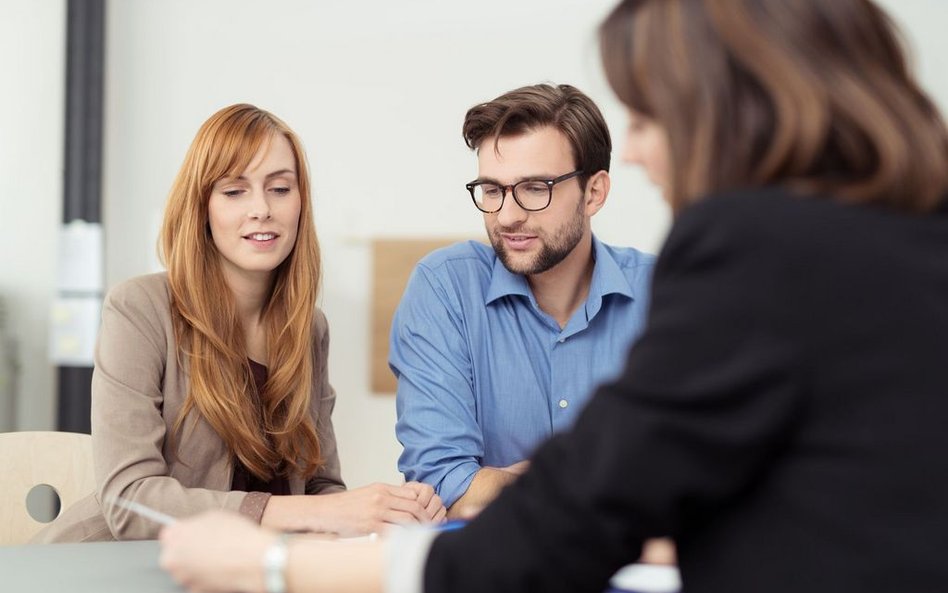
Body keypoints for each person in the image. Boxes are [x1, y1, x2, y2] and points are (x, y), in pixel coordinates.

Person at [160, 0, 948, 592]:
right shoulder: (911, 235)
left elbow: (579, 512)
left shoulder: (748, 251)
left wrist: (272, 561)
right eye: (492, 189)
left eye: (649, 114)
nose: (639, 146)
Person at [35, 104, 444, 543]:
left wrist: (388, 512)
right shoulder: (139, 308)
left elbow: (319, 487)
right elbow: (129, 501)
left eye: (280, 188)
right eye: (234, 191)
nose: (262, 209)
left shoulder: (308, 329)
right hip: (108, 571)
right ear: (202, 208)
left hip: (241, 573)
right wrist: (322, 510)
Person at [392, 83, 655, 518]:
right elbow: (441, 485)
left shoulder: (660, 296)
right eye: (492, 190)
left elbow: (700, 473)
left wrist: (502, 484)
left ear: (594, 193)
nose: (507, 215)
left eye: (535, 188)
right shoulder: (445, 289)